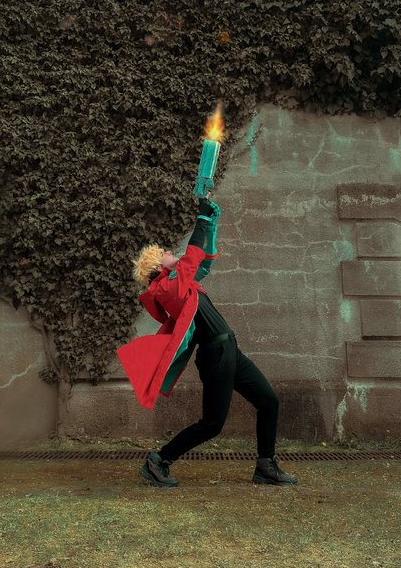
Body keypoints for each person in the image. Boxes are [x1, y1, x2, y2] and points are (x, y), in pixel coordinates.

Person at [117, 196, 297, 487]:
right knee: (212, 424)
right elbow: (190, 260)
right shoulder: (166, 290)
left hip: (230, 349)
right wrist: (200, 219)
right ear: (156, 267)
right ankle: (158, 461)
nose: (169, 251)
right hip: (216, 355)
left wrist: (210, 223)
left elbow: (203, 261)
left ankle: (266, 466)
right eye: (163, 252)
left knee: (269, 401)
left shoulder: (182, 283)